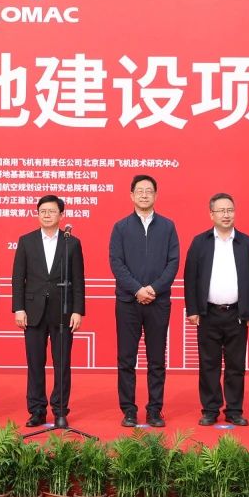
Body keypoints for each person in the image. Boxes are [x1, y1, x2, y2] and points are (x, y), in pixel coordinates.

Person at [184, 193, 249, 427]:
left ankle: (234, 410)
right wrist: (192, 309)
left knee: (236, 365)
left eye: (230, 210)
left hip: (237, 313)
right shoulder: (200, 242)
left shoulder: (247, 243)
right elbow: (190, 277)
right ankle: (210, 409)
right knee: (208, 364)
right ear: (212, 214)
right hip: (208, 313)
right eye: (221, 211)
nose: (226, 215)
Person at [108, 174, 180, 428]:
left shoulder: (168, 226)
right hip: (128, 302)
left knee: (156, 359)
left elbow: (173, 263)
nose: (144, 195)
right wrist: (137, 289)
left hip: (158, 302)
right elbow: (116, 263)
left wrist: (154, 289)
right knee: (126, 359)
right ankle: (129, 410)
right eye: (140, 191)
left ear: (156, 195)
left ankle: (154, 410)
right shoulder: (121, 227)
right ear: (131, 195)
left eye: (149, 191)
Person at [12, 195, 85, 430]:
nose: (46, 215)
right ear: (37, 214)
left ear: (61, 215)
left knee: (62, 364)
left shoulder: (71, 243)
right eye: (42, 211)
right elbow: (18, 278)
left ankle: (60, 410)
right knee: (35, 364)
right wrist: (19, 308)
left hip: (62, 312)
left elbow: (78, 280)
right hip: (32, 311)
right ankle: (37, 410)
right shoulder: (26, 241)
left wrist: (77, 310)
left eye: (51, 211)